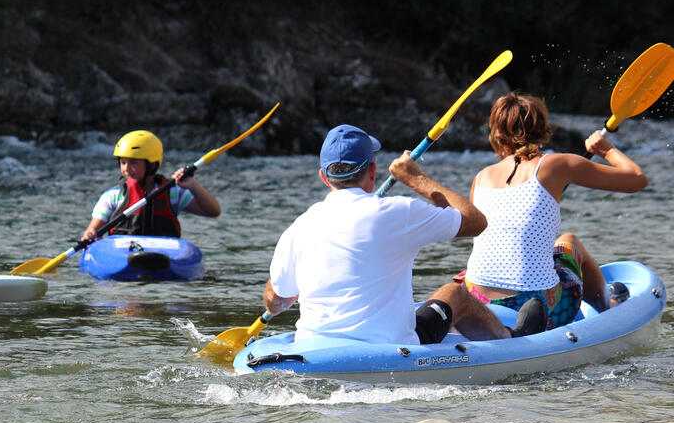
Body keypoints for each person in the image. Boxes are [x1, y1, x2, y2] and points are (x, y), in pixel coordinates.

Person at [263, 124, 547, 345]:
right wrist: (415, 178)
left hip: (314, 345)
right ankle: (512, 339)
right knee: (454, 293)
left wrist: (283, 298)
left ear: (324, 177)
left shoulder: (299, 227)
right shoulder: (397, 212)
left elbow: (274, 300)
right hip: (389, 348)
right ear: (372, 170)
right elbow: (475, 221)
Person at [460, 91, 648, 327]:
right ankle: (607, 308)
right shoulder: (558, 164)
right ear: (542, 128)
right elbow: (638, 179)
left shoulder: (480, 178)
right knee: (569, 240)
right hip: (537, 305)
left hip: (476, 300)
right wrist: (605, 150)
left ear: (497, 133)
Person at [80, 130, 221, 241]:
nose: (126, 169)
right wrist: (91, 234)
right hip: (124, 252)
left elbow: (213, 211)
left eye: (133, 163)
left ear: (152, 165)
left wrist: (193, 185)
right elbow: (93, 229)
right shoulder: (113, 196)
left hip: (162, 253)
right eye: (123, 163)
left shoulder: (173, 193)